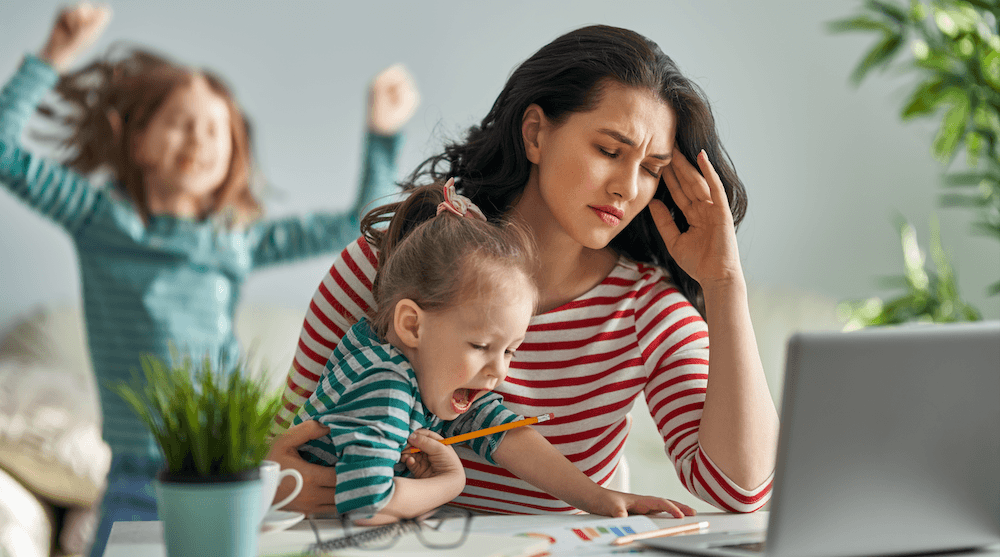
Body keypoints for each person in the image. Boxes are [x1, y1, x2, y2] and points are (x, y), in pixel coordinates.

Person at [269, 24, 779, 516]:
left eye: (651, 169)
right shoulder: (391, 262)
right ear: (535, 134)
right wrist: (275, 483)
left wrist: (724, 283)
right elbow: (277, 444)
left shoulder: (646, 311)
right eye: (608, 151)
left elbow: (740, 490)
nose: (628, 187)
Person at [0, 3, 418, 555]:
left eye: (217, 128)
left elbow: (354, 225)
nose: (200, 137)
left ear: (232, 157)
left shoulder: (233, 240)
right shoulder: (98, 218)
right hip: (137, 475)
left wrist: (381, 134)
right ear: (140, 140)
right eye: (181, 122)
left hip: (232, 468)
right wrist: (54, 55)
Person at [295, 179, 695, 521]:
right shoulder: (385, 386)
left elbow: (504, 431)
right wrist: (450, 483)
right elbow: (366, 503)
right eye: (482, 346)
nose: (499, 373)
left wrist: (599, 498)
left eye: (510, 352)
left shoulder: (420, 369)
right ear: (412, 325)